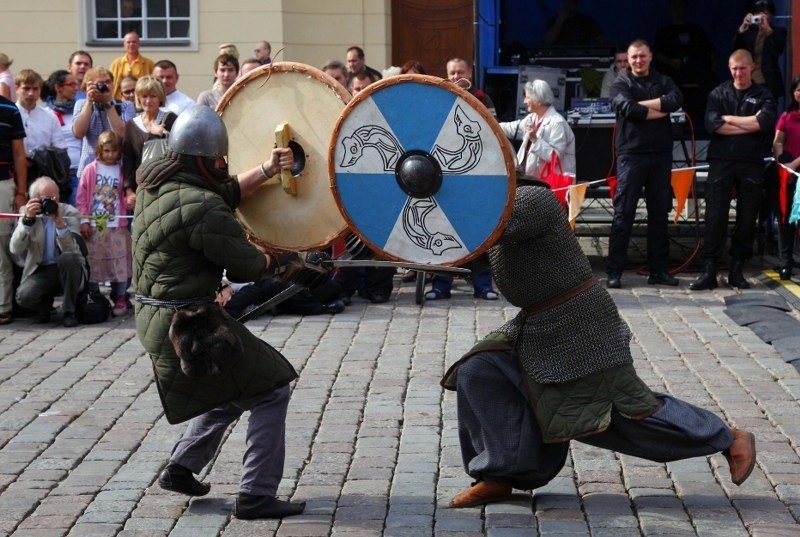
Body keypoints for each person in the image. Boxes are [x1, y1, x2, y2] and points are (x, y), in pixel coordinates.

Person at [441, 182, 757, 509]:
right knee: (482, 370)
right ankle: (499, 475)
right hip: (536, 322)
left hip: (582, 324)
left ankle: (727, 437)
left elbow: (478, 230)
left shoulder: (530, 200)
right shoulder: (496, 208)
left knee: (625, 412)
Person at [134, 104, 310, 519]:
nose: (222, 166)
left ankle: (181, 468)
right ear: (203, 160)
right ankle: (256, 495)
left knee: (233, 384)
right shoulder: (202, 207)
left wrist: (267, 169)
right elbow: (247, 265)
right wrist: (283, 262)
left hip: (158, 316)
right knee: (271, 388)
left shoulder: (156, 183)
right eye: (217, 160)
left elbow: (220, 193)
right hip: (187, 324)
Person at [689, 49, 776, 291]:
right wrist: (748, 125)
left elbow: (763, 123)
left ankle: (737, 268)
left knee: (747, 218)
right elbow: (713, 126)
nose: (738, 72)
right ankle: (710, 269)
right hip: (722, 161)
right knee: (715, 216)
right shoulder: (718, 93)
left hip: (751, 162)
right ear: (729, 68)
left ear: (752, 67)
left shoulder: (764, 95)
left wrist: (730, 120)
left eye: (743, 68)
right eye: (734, 68)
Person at [606, 39, 683, 289]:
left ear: (650, 56)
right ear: (628, 60)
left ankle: (658, 271)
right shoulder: (621, 82)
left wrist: (643, 106)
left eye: (642, 56)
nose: (638, 60)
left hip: (660, 154)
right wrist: (658, 107)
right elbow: (625, 108)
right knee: (623, 213)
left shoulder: (664, 81)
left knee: (659, 215)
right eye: (634, 57)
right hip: (631, 154)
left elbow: (676, 100)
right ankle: (614, 271)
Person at [10, 176, 85, 327]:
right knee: (23, 296)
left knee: (68, 258)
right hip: (41, 269)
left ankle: (69, 311)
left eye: (55, 197)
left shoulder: (69, 212)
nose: (52, 202)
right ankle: (44, 308)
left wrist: (60, 224)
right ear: (34, 200)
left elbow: (73, 252)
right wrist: (27, 222)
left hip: (66, 268)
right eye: (47, 198)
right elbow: (15, 248)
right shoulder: (26, 212)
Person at [76, 131, 130, 316]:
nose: (109, 155)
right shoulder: (91, 169)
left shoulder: (121, 171)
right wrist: (84, 220)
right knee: (94, 262)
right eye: (106, 151)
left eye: (113, 151)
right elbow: (82, 197)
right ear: (100, 150)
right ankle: (94, 296)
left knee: (119, 262)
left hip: (116, 225)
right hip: (95, 225)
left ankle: (121, 297)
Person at [653, 0, 716, 126]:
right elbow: (656, 54)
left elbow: (711, 51)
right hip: (673, 73)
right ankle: (677, 125)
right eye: (676, 8)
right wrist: (670, 62)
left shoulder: (696, 30)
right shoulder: (664, 32)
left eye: (681, 8)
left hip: (696, 72)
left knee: (711, 82)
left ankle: (710, 122)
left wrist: (712, 68)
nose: (678, 11)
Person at [499, 79, 576, 180]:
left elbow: (556, 158)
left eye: (527, 97)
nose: (524, 101)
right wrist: (490, 124)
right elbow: (512, 128)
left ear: (539, 100)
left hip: (551, 184)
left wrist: (535, 140)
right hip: (533, 181)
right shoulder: (532, 118)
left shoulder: (557, 123)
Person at [73, 67, 136, 182]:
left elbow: (123, 135)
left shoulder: (125, 106)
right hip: (89, 170)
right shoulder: (81, 104)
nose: (105, 86)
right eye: (100, 84)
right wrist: (88, 102)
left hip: (117, 170)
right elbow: (78, 133)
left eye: (108, 82)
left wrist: (108, 105)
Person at [122, 76, 177, 199]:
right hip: (141, 188)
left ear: (160, 98)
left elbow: (181, 150)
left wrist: (164, 134)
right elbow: (128, 160)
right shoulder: (131, 125)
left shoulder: (170, 119)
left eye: (152, 96)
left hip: (167, 187)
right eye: (144, 96)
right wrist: (129, 189)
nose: (148, 100)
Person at [0, 94, 27, 325]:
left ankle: (2, 305)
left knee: (1, 246)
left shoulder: (9, 108)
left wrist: (21, 192)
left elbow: (19, 153)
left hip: (2, 183)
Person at [772, 76, 800, 280]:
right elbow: (778, 141)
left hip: (796, 168)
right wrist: (782, 162)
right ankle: (785, 264)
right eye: (798, 89)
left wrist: (794, 165)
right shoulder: (786, 116)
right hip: (788, 174)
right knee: (785, 220)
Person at [734, 0, 787, 103]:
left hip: (768, 81)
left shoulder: (778, 32)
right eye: (757, 13)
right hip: (749, 79)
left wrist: (768, 30)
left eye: (765, 13)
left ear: (771, 15)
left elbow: (777, 50)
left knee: (767, 114)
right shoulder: (749, 32)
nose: (761, 17)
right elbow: (737, 51)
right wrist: (742, 29)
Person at [43, 70, 81, 205]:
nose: (76, 88)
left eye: (77, 84)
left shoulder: (80, 110)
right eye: (71, 85)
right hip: (55, 174)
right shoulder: (46, 113)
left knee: (76, 217)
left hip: (78, 172)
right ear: (58, 88)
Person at [15, 69, 67, 154]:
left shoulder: (50, 116)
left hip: (43, 165)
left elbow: (60, 147)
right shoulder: (8, 114)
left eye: (35, 89)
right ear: (16, 89)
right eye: (26, 88)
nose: (31, 93)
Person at [108, 31, 155, 101]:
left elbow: (154, 85)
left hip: (141, 101)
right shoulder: (116, 63)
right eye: (128, 42)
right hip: (119, 101)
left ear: (139, 44)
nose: (131, 44)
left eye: (134, 42)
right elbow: (110, 83)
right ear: (124, 45)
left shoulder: (149, 63)